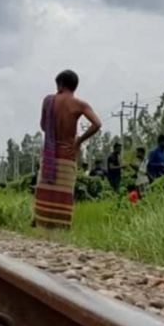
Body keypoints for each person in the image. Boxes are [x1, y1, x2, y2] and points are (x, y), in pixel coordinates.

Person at [34, 70, 101, 228]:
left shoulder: (48, 100)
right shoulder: (80, 104)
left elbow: (44, 126)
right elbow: (97, 124)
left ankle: (41, 224)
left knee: (46, 193)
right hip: (68, 153)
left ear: (61, 84)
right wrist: (78, 142)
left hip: (50, 153)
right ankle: (62, 227)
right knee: (63, 195)